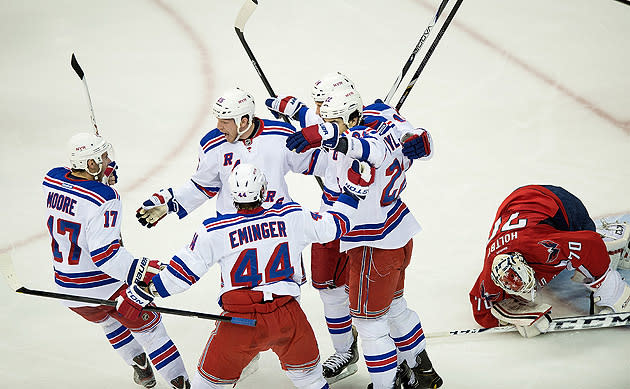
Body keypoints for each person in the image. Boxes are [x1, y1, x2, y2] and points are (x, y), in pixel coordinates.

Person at [115, 161, 375, 388]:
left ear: (232, 194)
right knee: (312, 381)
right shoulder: (291, 216)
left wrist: (144, 293)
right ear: (263, 191)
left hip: (240, 323)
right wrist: (352, 195)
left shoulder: (214, 230)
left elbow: (181, 275)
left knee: (206, 385)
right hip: (288, 316)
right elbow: (334, 227)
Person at [271, 88, 442, 389]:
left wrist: (328, 137)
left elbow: (364, 149)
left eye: (332, 120)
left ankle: (387, 383)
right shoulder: (382, 128)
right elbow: (403, 137)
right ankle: (423, 371)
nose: (327, 124)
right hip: (396, 234)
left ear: (351, 117)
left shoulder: (363, 150)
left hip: (371, 245)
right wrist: (296, 111)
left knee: (370, 324)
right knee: (395, 308)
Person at [43, 132, 190, 388]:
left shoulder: (52, 178)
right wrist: (141, 269)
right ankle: (183, 385)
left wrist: (99, 178)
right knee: (151, 330)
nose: (109, 160)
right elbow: (105, 256)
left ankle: (140, 367)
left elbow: (76, 190)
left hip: (67, 288)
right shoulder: (103, 198)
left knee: (109, 321)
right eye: (103, 157)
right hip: (102, 286)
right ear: (90, 164)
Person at [264, 73, 361, 383]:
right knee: (327, 285)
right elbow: (313, 122)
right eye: (317, 105)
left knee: (372, 296)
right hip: (330, 218)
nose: (318, 111)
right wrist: (292, 108)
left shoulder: (362, 138)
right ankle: (346, 350)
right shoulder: (327, 122)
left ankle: (396, 352)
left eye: (323, 105)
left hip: (364, 224)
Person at [469, 184, 630, 338]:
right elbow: (480, 308)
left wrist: (610, 287)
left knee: (584, 246)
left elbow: (591, 242)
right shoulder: (491, 276)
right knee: (568, 254)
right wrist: (508, 318)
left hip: (554, 200)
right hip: (514, 206)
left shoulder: (542, 248)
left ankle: (611, 238)